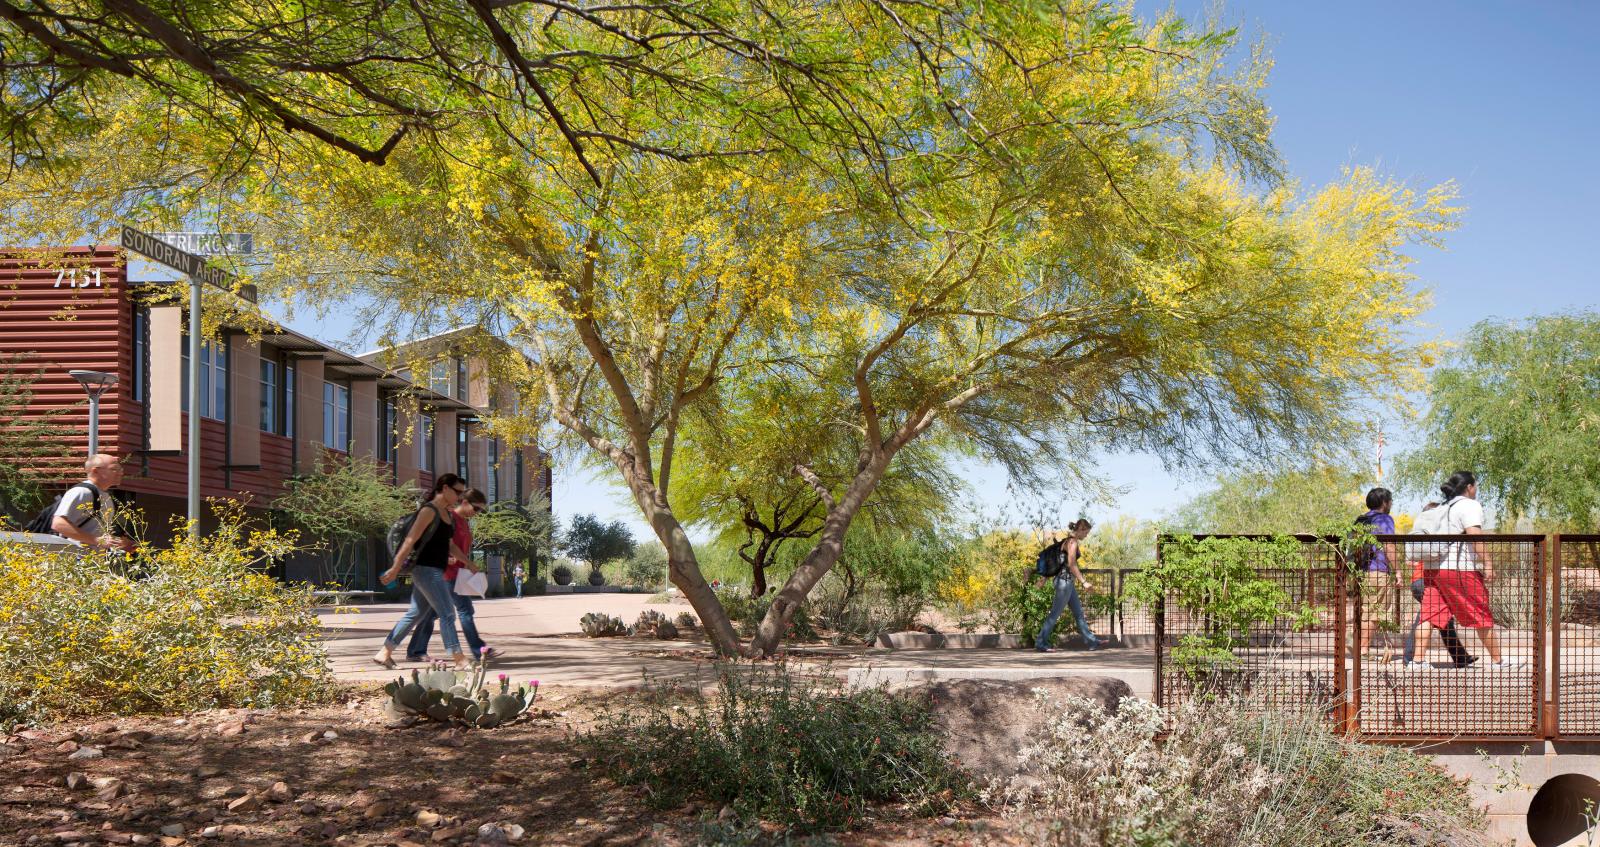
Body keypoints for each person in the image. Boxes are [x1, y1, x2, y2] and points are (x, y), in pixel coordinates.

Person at [371, 474, 473, 670]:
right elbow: (410, 540)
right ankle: (458, 658)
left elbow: (450, 545)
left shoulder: (447, 514)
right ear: (444, 488)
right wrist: (395, 568)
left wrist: (467, 561)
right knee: (447, 613)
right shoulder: (429, 511)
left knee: (415, 613)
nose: (459, 497)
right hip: (425, 570)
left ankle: (384, 652)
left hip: (435, 569)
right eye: (457, 492)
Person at [1412, 471, 1508, 669]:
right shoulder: (1469, 505)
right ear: (1469, 487)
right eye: (1476, 486)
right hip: (1459, 568)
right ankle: (1500, 661)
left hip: (1431, 569)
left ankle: (1417, 661)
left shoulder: (1442, 507)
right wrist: (1488, 563)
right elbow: (1475, 536)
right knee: (1480, 611)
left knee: (1429, 615)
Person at [406, 488, 496, 661]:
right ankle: (479, 650)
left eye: (480, 511)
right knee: (465, 610)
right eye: (476, 509)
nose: (477, 513)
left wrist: (467, 564)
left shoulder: (463, 522)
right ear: (464, 502)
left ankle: (415, 651)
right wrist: (446, 559)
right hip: (445, 574)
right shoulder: (449, 519)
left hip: (458, 574)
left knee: (430, 614)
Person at [1402, 501, 1475, 667]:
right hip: (1426, 581)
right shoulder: (1438, 532)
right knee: (1426, 619)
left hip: (1421, 581)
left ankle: (1460, 658)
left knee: (1442, 619)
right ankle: (1411, 657)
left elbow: (1409, 560)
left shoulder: (1424, 534)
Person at [1035, 518, 1102, 652]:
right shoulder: (1072, 542)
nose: (1086, 536)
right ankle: (1041, 642)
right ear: (1081, 529)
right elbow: (1072, 564)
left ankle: (1092, 641)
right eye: (1086, 533)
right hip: (1064, 583)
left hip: (1067, 583)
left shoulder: (1068, 541)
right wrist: (1084, 582)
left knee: (1078, 614)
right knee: (1054, 614)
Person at [50, 454, 135, 553]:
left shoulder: (105, 495)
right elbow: (58, 524)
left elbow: (94, 531)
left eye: (120, 469)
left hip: (92, 561)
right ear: (95, 471)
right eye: (114, 469)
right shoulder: (81, 492)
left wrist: (122, 543)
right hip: (75, 559)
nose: (120, 473)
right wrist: (97, 540)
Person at [1354, 488, 1400, 658]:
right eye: (1390, 501)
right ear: (1384, 503)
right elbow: (1389, 546)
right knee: (1375, 611)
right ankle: (1363, 649)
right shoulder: (1384, 519)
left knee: (1364, 609)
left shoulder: (1361, 520)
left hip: (1361, 572)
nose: (1391, 504)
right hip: (1378, 571)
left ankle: (1358, 645)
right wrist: (1398, 572)